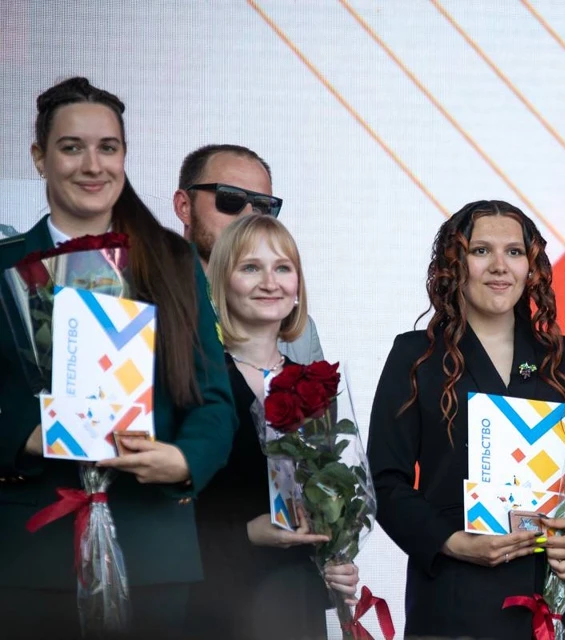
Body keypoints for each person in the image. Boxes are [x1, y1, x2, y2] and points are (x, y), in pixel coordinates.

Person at [0, 77, 237, 638]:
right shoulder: (5, 266)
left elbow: (214, 400)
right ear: (39, 157)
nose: (93, 165)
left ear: (124, 156)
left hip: (154, 544)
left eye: (108, 147)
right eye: (71, 147)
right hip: (29, 553)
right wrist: (25, 433)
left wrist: (183, 461)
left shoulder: (172, 260)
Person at [367, 200, 565, 639]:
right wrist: (452, 542)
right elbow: (384, 480)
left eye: (514, 252)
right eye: (481, 250)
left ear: (530, 267)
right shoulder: (416, 357)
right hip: (457, 598)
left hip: (560, 598)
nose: (499, 266)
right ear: (454, 264)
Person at [188, 214, 358, 639]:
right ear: (222, 283)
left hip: (294, 599)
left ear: (298, 286)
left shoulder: (316, 385)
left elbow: (323, 499)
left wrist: (336, 558)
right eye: (250, 267)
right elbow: (167, 514)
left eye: (283, 268)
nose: (270, 282)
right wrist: (249, 533)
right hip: (214, 599)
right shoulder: (196, 378)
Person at [173, 143, 323, 364]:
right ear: (184, 206)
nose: (248, 216)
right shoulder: (142, 303)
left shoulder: (300, 335)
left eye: (262, 206)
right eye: (230, 199)